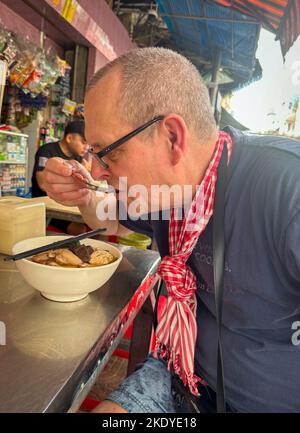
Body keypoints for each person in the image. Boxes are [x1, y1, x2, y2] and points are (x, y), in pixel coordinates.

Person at [40, 48, 299, 413]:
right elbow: (105, 216)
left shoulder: (286, 190)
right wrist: (77, 192)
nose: (98, 171)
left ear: (172, 138)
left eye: (108, 153)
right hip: (180, 372)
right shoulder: (161, 193)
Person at [31, 120, 90, 235]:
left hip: (67, 205)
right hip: (44, 208)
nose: (86, 147)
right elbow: (42, 184)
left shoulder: (77, 158)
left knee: (100, 227)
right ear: (69, 138)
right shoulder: (47, 151)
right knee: (80, 230)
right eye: (83, 142)